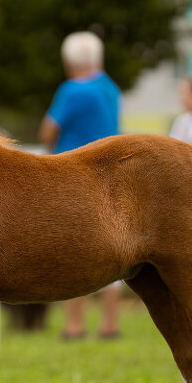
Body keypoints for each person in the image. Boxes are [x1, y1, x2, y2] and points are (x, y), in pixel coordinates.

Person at [37, 31, 122, 340]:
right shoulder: (110, 88)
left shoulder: (71, 90)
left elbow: (49, 130)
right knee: (114, 250)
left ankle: (74, 325)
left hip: (72, 175)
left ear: (70, 61)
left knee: (72, 251)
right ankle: (110, 323)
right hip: (110, 175)